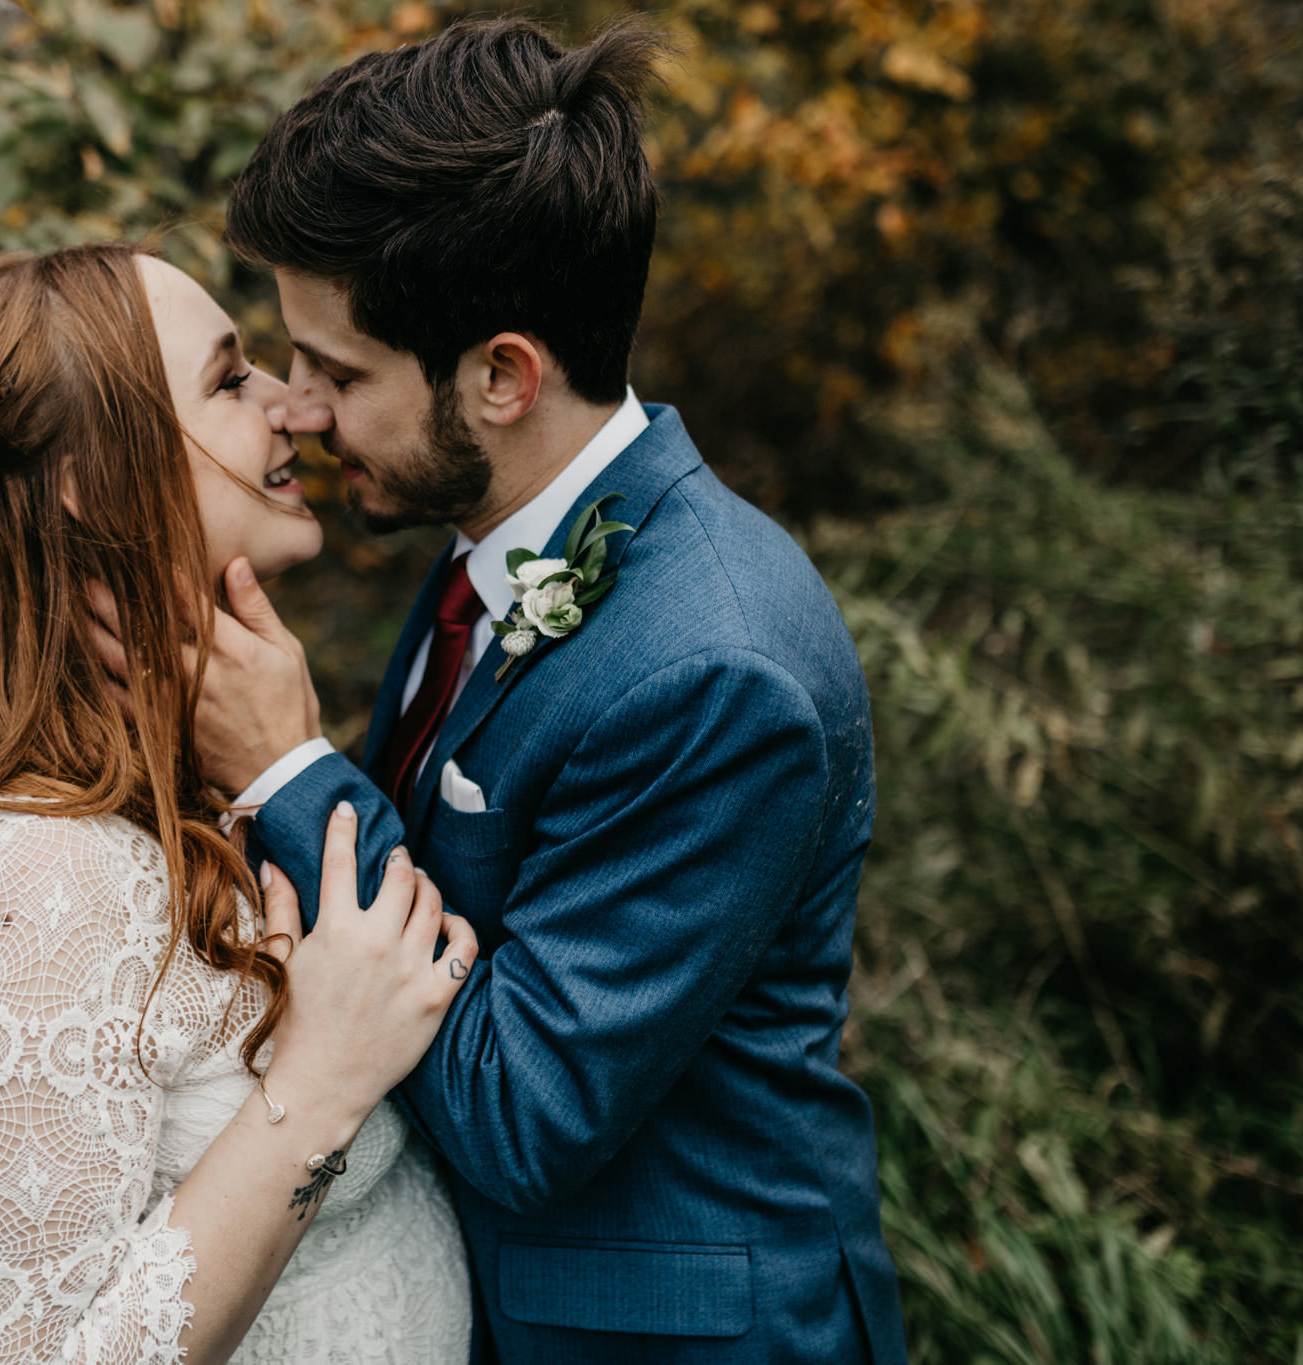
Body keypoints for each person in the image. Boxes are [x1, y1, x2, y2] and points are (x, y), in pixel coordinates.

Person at [102, 18, 910, 1362]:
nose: (296, 410)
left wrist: (294, 775)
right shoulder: (493, 542)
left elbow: (524, 1112)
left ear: (500, 376)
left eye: (336, 372)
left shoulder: (717, 670)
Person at [0, 243, 477, 1364]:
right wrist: (321, 1080)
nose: (294, 406)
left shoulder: (212, 764)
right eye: (231, 381)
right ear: (96, 479)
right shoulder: (20, 867)